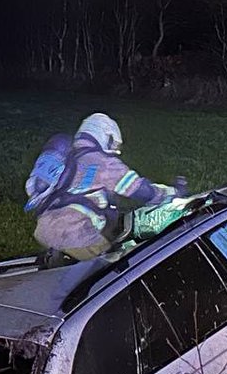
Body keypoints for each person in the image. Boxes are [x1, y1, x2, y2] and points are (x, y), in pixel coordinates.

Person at [32, 112, 185, 262]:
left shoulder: (70, 160)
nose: (115, 151)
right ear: (104, 136)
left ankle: (61, 260)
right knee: (131, 260)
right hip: (76, 234)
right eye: (113, 144)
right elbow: (139, 189)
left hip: (46, 229)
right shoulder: (103, 163)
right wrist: (171, 192)